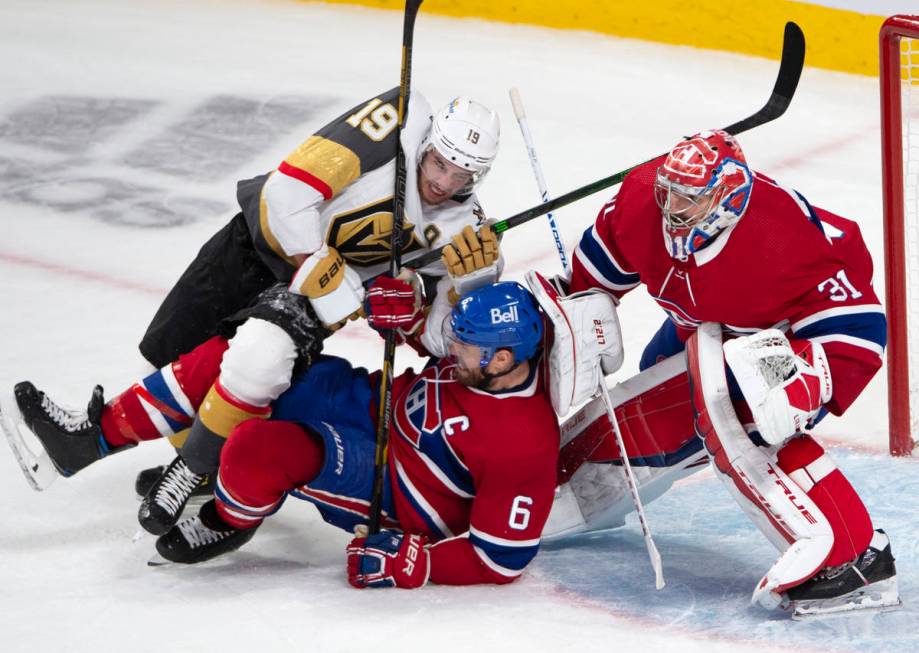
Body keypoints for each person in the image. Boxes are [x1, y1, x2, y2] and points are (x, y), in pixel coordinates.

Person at [5, 88, 505, 537]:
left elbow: (443, 344)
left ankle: (210, 484)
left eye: (462, 174)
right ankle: (194, 466)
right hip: (258, 247)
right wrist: (335, 282)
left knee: (255, 365)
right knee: (165, 364)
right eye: (439, 163)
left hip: (304, 302)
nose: (443, 182)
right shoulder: (396, 121)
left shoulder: (464, 228)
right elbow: (284, 195)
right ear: (428, 143)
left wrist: (470, 285)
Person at [8, 282, 563, 588]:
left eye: (464, 346)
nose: (453, 347)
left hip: (388, 478)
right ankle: (90, 439)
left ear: (503, 359)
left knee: (257, 453)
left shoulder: (525, 443)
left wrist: (416, 565)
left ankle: (228, 520)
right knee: (248, 359)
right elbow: (433, 333)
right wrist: (410, 310)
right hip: (371, 400)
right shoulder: (487, 356)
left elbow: (502, 560)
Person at [560, 129, 898, 617]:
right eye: (668, 192)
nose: (671, 206)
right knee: (658, 392)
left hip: (784, 336)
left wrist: (812, 376)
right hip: (703, 323)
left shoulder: (784, 234)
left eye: (688, 198)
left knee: (750, 414)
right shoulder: (641, 201)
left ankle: (853, 552)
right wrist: (579, 314)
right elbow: (594, 273)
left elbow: (859, 323)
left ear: (726, 198)